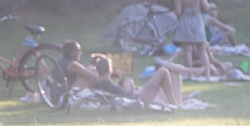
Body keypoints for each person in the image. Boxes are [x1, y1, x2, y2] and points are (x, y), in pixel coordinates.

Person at [60, 40, 201, 107]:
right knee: (164, 71)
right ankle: (175, 104)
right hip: (138, 99)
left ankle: (177, 101)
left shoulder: (99, 84)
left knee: (170, 73)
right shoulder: (106, 84)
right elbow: (124, 96)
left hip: (135, 97)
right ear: (109, 70)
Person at [173, 0, 212, 79]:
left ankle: (189, 75)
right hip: (197, 20)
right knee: (202, 50)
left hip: (186, 21)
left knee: (187, 50)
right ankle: (207, 75)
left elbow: (178, 13)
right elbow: (206, 7)